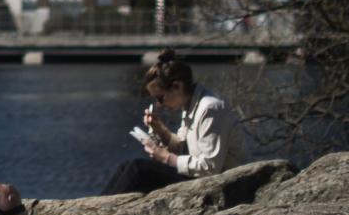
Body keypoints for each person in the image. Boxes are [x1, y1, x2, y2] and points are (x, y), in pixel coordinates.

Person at [102, 48, 247, 195]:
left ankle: (99, 210)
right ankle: (97, 205)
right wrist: (160, 130)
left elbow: (209, 167)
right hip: (202, 179)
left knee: (137, 169)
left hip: (224, 184)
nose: (159, 104)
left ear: (177, 86)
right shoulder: (190, 105)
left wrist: (165, 157)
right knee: (125, 167)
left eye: (160, 97)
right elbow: (184, 148)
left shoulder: (211, 109)